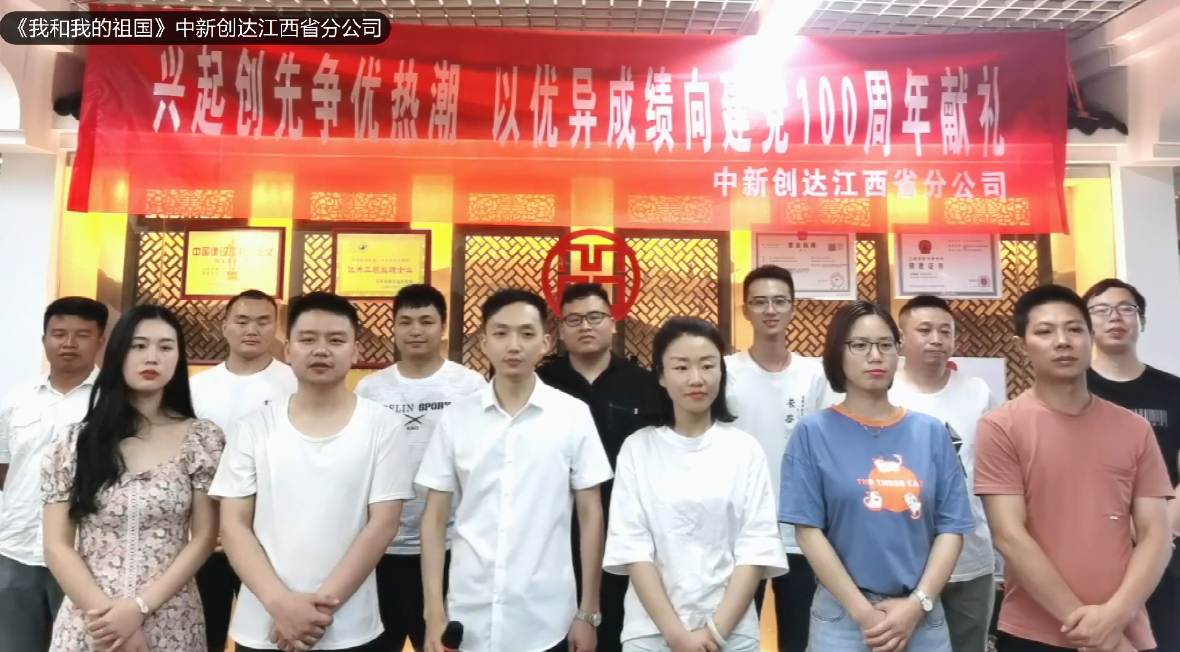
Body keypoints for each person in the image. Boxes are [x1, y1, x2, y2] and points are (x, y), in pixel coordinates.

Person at [210, 291, 415, 652]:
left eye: (336, 340)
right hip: (264, 625)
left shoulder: (384, 426)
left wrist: (315, 613)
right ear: (288, 350)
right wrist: (280, 605)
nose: (321, 350)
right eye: (308, 339)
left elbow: (383, 525)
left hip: (349, 627)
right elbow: (233, 526)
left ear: (355, 351)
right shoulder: (254, 427)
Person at [976, 284, 1174, 652]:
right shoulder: (1001, 427)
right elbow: (1009, 536)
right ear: (1021, 346)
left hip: (1124, 625)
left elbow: (1156, 535)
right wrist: (1094, 632)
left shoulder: (1134, 429)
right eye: (1044, 331)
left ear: (1090, 336)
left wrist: (1116, 616)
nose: (1063, 341)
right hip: (1034, 632)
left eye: (1074, 329)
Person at [417, 288, 613, 652]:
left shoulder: (571, 415)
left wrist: (588, 612)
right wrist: (433, 612)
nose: (514, 345)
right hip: (468, 614)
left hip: (546, 617)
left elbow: (591, 515)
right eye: (501, 333)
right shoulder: (457, 419)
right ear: (484, 342)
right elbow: (434, 518)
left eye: (526, 333)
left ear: (545, 342)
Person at [780, 300, 975, 652]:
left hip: (922, 614)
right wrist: (864, 613)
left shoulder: (931, 432)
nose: (875, 356)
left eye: (885, 344)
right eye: (860, 345)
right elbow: (808, 531)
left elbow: (952, 527)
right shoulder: (813, 432)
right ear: (837, 353)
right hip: (842, 617)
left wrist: (917, 605)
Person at [41, 304, 225, 652]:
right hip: (92, 620)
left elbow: (204, 537)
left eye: (165, 347)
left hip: (171, 616)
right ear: (117, 354)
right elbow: (57, 546)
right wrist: (112, 622)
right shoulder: (75, 443)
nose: (152, 357)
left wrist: (139, 609)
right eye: (138, 346)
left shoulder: (202, 439)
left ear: (178, 358)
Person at [603, 316, 789, 652]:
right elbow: (633, 548)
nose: (696, 379)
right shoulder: (638, 449)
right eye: (681, 367)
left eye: (707, 365)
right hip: (651, 633)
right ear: (661, 375)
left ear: (721, 371)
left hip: (732, 635)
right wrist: (678, 637)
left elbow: (756, 546)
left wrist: (715, 633)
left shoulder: (744, 450)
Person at [355, 284, 486, 652]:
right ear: (393, 327)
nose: (416, 330)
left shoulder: (471, 386)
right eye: (406, 321)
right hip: (381, 551)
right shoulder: (369, 390)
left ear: (442, 326)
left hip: (452, 550)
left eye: (426, 321)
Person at [537, 282, 660, 652]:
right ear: (560, 331)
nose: (585, 326)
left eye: (595, 317)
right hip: (554, 536)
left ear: (612, 323)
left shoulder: (644, 385)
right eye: (573, 320)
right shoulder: (541, 384)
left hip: (630, 535)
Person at [723, 265, 836, 652]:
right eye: (759, 302)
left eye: (779, 301)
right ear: (745, 311)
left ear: (793, 307)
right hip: (740, 532)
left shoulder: (814, 375)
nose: (770, 310)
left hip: (800, 532)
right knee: (736, 638)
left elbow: (826, 453)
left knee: (799, 640)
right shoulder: (725, 371)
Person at [191, 289, 297, 652]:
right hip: (208, 539)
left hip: (271, 540)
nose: (252, 329)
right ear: (224, 327)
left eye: (263, 321)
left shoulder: (294, 383)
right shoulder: (196, 388)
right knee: (205, 636)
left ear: (277, 328)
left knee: (264, 640)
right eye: (242, 321)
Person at [892, 294, 999, 652]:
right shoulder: (885, 392)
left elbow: (991, 472)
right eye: (924, 330)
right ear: (901, 338)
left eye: (945, 331)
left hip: (973, 556)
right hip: (905, 561)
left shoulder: (978, 392)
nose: (936, 339)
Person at [0, 297, 108, 652]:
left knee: (80, 646)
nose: (68, 343)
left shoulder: (113, 402)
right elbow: (5, 469)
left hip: (85, 554)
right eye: (59, 334)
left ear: (100, 340)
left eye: (82, 335)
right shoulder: (17, 399)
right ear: (44, 339)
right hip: (16, 548)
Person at [1083, 278, 1180, 652]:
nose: (1115, 317)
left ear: (1142, 321)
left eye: (1126, 308)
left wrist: (1158, 532)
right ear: (1086, 324)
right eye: (1101, 310)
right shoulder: (1073, 388)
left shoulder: (1172, 390)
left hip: (1165, 550)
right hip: (1091, 548)